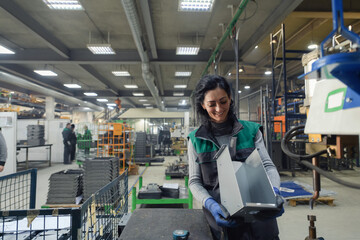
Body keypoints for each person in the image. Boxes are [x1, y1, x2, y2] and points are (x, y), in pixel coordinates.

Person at [188, 75, 283, 240]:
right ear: (203, 105)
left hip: (259, 216)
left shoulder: (252, 131)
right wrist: (210, 204)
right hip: (221, 219)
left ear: (230, 99)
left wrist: (274, 191)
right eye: (211, 104)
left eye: (223, 101)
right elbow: (194, 181)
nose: (219, 109)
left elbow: (267, 166)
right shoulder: (196, 140)